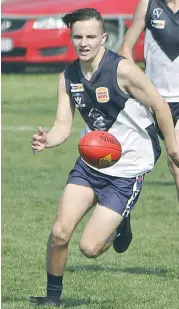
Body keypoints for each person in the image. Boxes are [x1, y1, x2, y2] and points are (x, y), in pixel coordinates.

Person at [30, 8, 179, 306]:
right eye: (78, 37)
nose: (84, 43)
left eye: (90, 37)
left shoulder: (122, 70)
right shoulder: (68, 76)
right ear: (71, 38)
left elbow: (161, 105)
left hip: (127, 170)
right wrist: (48, 139)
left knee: (90, 248)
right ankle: (53, 298)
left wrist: (173, 148)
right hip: (92, 164)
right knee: (59, 232)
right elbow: (62, 125)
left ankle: (121, 223)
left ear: (103, 38)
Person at [119, 0, 179, 202]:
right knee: (132, 162)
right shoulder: (148, 4)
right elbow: (125, 49)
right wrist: (141, 85)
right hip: (154, 100)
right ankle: (119, 225)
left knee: (175, 160)